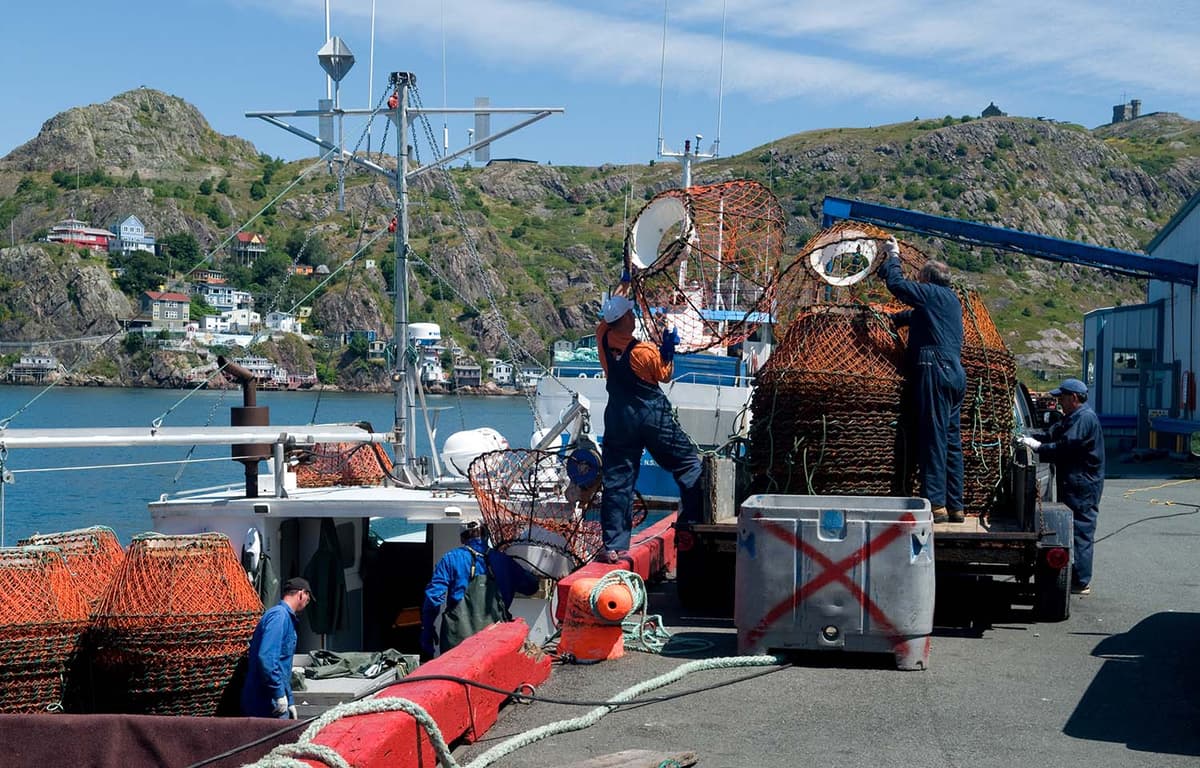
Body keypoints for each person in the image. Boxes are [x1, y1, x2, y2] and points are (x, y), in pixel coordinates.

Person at [597, 275, 703, 561]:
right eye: (630, 313)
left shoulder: (603, 337)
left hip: (618, 417)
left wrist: (623, 284)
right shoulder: (643, 351)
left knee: (618, 482)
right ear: (625, 321)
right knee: (687, 463)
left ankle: (614, 546)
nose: (633, 317)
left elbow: (610, 314)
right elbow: (664, 375)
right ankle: (693, 519)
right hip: (651, 416)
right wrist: (668, 351)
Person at [878, 238, 967, 524]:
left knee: (933, 438)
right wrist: (890, 318)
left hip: (935, 370)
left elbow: (898, 286)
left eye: (920, 279)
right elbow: (914, 316)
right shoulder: (950, 300)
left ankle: (937, 505)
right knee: (951, 441)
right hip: (954, 374)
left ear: (927, 279)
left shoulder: (930, 293)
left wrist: (893, 257)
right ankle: (956, 507)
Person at [1018, 378, 1105, 595]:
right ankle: (1079, 574)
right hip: (1075, 481)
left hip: (1083, 484)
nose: (1059, 403)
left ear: (1074, 398)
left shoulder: (1084, 419)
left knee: (1082, 530)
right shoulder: (1072, 418)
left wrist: (1038, 448)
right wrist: (1027, 436)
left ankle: (1081, 580)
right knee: (1075, 528)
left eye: (1062, 398)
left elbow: (1065, 446)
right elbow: (1052, 434)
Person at [420, 521, 539, 658]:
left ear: (462, 539)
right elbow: (531, 587)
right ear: (486, 535)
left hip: (457, 646)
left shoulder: (450, 559)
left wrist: (427, 629)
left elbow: (433, 598)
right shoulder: (504, 561)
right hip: (495, 643)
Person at [241, 576, 313, 718]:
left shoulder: (284, 617)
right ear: (301, 594)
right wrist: (279, 694)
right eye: (308, 599)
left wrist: (290, 700)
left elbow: (281, 666)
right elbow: (267, 658)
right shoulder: (279, 617)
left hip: (272, 699)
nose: (307, 603)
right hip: (265, 702)